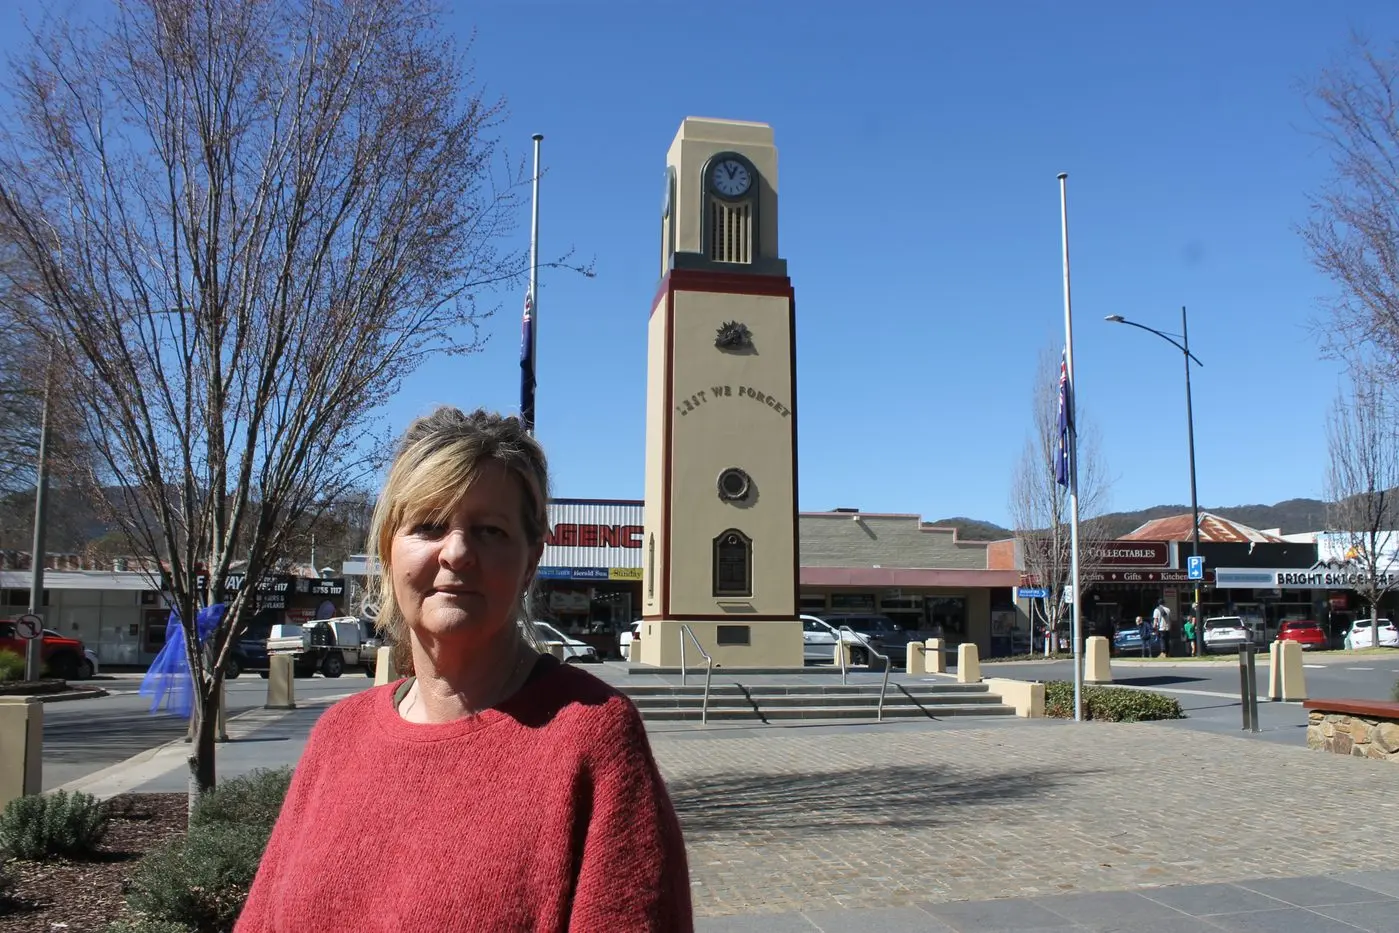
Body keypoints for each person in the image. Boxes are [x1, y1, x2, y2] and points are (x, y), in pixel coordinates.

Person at [236, 407, 693, 932]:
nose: (456, 552)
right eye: (428, 526)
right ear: (388, 550)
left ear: (529, 562)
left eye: (490, 531)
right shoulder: (337, 738)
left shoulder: (591, 737)